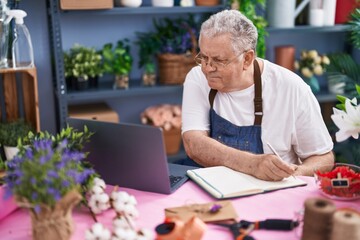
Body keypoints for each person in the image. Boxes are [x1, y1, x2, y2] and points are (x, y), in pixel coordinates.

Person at [181, 9, 334, 181]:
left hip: (271, 193)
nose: (207, 68)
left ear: (247, 58)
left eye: (218, 60)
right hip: (213, 188)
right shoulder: (197, 77)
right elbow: (193, 144)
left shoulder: (292, 88)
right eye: (204, 57)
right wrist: (253, 165)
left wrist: (290, 175)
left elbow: (324, 158)